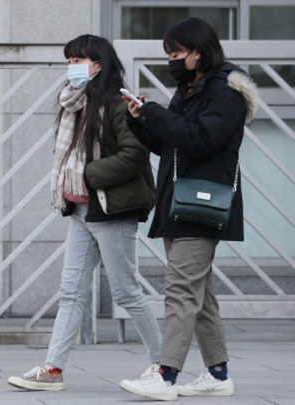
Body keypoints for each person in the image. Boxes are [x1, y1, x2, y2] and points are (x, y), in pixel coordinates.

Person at [7, 34, 162, 392]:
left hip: (111, 210)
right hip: (80, 210)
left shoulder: (120, 105)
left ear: (98, 65)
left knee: (125, 291)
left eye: (78, 60)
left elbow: (135, 155)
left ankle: (162, 364)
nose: (71, 67)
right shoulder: (74, 103)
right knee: (72, 292)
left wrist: (89, 175)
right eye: (69, 60)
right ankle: (53, 370)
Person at [118, 17, 258, 401]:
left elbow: (200, 140)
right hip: (179, 202)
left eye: (177, 53)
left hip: (203, 203)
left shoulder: (226, 92)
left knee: (180, 289)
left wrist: (157, 114)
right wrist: (141, 121)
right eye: (168, 54)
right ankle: (217, 374)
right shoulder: (190, 88)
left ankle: (165, 375)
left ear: (199, 52)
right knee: (199, 292)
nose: (172, 60)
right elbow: (170, 145)